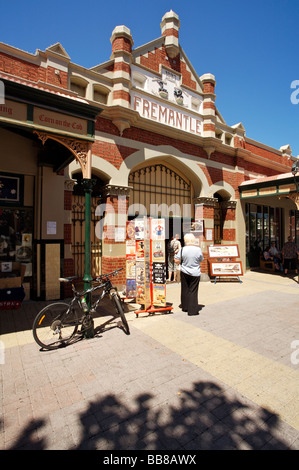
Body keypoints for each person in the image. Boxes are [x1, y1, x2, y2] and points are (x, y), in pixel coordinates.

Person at [174, 233, 204, 316]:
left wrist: (181, 261)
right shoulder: (198, 249)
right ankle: (192, 310)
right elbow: (201, 259)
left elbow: (176, 260)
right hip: (195, 272)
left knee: (185, 289)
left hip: (184, 271)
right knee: (193, 291)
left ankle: (185, 307)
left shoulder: (183, 249)